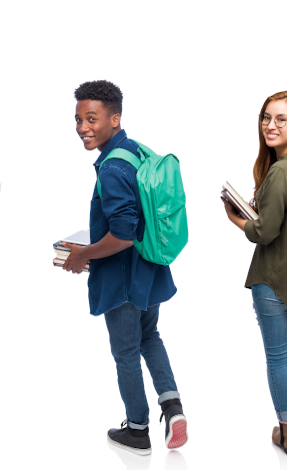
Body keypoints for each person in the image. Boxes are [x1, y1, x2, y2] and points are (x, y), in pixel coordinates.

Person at [60, 80, 186, 456]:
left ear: (115, 119)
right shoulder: (134, 151)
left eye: (92, 118)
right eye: (79, 119)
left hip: (124, 279)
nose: (83, 127)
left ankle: (137, 430)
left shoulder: (112, 168)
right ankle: (172, 406)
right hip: (149, 269)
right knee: (151, 337)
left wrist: (84, 254)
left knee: (126, 352)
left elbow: (124, 234)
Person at [221, 91, 287, 457]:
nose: (270, 125)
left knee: (278, 356)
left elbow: (265, 232)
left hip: (274, 279)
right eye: (267, 117)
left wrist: (238, 219)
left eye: (281, 119)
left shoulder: (280, 171)